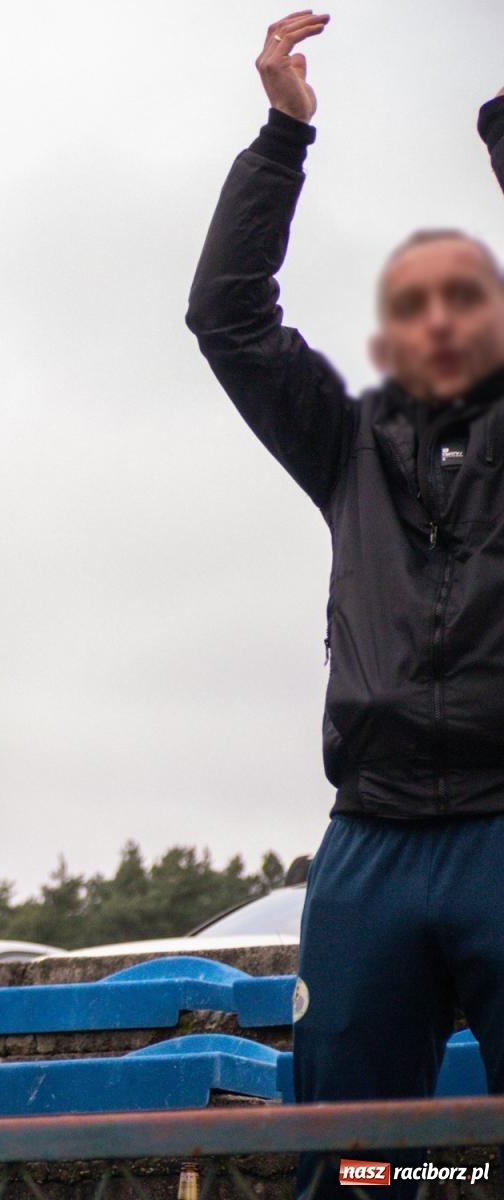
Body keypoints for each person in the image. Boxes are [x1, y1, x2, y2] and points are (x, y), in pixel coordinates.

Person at [186, 14, 504, 1196]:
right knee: (358, 1172)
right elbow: (226, 318)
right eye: (413, 303)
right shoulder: (345, 444)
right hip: (369, 840)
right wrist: (283, 136)